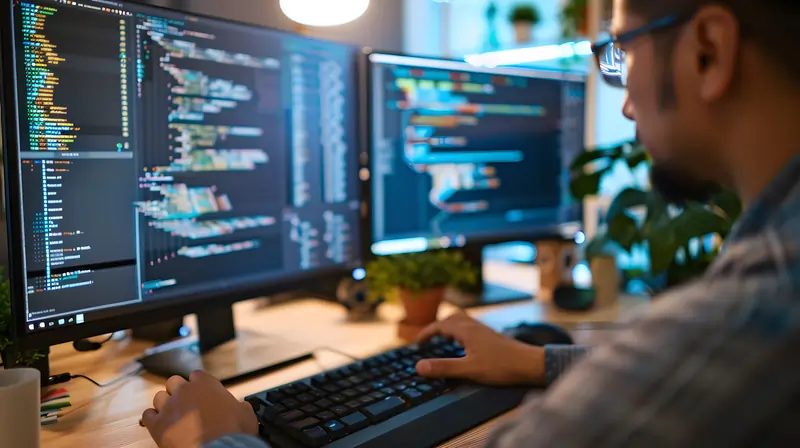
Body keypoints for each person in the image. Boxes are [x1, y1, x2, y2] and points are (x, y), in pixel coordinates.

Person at [141, 0, 800, 446]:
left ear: (709, 51)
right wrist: (538, 360)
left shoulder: (756, 311)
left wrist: (221, 438)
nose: (623, 101)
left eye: (622, 50)